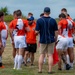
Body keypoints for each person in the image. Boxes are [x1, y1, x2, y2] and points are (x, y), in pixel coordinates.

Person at [35, 7, 58, 73]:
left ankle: (40, 70)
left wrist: (38, 32)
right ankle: (50, 70)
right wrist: (56, 39)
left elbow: (36, 31)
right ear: (49, 12)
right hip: (51, 39)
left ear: (44, 12)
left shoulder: (39, 20)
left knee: (42, 55)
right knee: (50, 55)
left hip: (42, 39)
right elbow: (56, 31)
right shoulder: (53, 20)